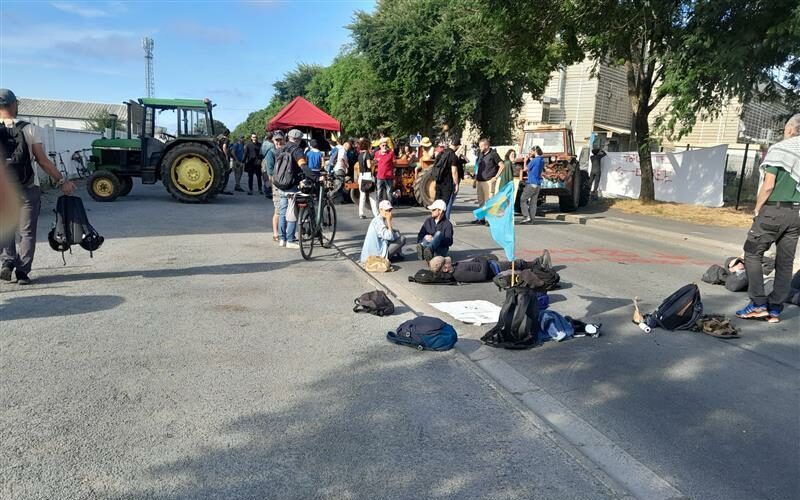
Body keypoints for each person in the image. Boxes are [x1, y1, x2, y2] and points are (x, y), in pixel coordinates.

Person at [0, 88, 76, 285]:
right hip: (27, 187)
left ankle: (7, 263)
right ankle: (23, 272)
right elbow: (43, 161)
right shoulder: (30, 129)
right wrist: (62, 182)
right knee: (27, 231)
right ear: (14, 104)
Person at [736, 114, 800, 323]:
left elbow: (769, 185)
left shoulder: (781, 149)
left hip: (774, 210)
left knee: (752, 253)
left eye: (785, 128)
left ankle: (758, 304)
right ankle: (775, 308)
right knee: (785, 261)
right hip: (796, 214)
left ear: (791, 130)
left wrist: (757, 209)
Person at [278, 129, 313, 248]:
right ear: (299, 139)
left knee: (283, 212)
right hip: (291, 185)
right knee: (292, 212)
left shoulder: (282, 148)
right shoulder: (297, 150)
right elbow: (303, 166)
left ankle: (282, 238)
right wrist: (315, 177)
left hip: (281, 183)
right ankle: (290, 240)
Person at [471, 138, 502, 224]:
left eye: (481, 146)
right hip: (480, 180)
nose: (480, 148)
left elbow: (502, 165)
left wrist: (495, 177)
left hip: (488, 181)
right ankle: (481, 218)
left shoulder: (493, 154)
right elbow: (477, 167)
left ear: (487, 146)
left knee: (488, 201)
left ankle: (489, 220)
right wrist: (475, 179)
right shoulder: (481, 154)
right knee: (481, 201)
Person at [433, 138, 460, 220]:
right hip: (447, 183)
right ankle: (443, 223)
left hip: (438, 181)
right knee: (445, 204)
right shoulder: (453, 156)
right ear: (458, 146)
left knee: (437, 203)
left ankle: (435, 220)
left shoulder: (441, 153)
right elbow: (454, 171)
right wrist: (456, 184)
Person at [265, 130, 285, 242]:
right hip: (277, 185)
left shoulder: (286, 151)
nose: (279, 142)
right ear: (273, 141)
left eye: (280, 139)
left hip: (287, 185)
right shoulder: (271, 153)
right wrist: (276, 184)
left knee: (288, 211)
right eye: (276, 140)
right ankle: (275, 233)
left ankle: (285, 233)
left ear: (284, 139)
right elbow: (270, 172)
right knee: (278, 210)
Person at [520, 147, 544, 224]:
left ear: (535, 151)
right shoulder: (541, 160)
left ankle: (526, 217)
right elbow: (534, 168)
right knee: (533, 202)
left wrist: (525, 161)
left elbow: (525, 169)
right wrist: (530, 159)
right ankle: (532, 219)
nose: (530, 152)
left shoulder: (534, 160)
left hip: (531, 183)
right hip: (538, 184)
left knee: (523, 200)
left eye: (531, 151)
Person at [357, 137, 379, 219]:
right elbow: (369, 165)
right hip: (368, 176)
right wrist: (375, 162)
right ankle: (376, 213)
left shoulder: (359, 155)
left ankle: (361, 213)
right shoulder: (367, 154)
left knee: (362, 196)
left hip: (361, 176)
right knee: (372, 196)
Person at [374, 137, 395, 202]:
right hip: (380, 176)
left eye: (386, 145)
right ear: (380, 146)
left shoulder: (390, 153)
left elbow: (394, 162)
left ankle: (389, 208)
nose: (384, 146)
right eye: (383, 145)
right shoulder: (377, 153)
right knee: (379, 192)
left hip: (388, 176)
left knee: (389, 192)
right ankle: (378, 208)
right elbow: (375, 161)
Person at [216, 130, 233, 195]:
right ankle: (223, 188)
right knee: (227, 172)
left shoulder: (219, 139)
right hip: (224, 158)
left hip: (219, 156)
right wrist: (226, 155)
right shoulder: (226, 140)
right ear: (228, 134)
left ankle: (220, 187)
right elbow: (224, 147)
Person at [260, 131, 274, 198]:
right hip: (269, 160)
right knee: (269, 176)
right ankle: (269, 191)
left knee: (265, 176)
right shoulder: (272, 145)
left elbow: (261, 153)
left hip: (264, 160)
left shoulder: (264, 143)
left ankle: (266, 190)